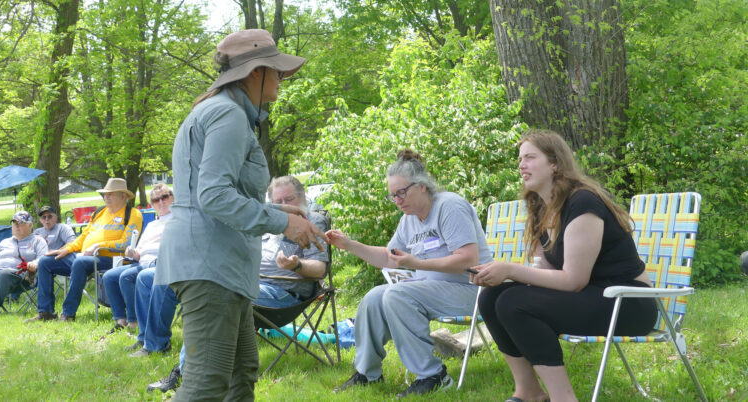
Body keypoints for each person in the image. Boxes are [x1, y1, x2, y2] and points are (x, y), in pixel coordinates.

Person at [154, 29, 327, 400]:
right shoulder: (227, 115)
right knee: (206, 386)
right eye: (276, 70)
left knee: (241, 373)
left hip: (220, 264)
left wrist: (279, 208)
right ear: (254, 72)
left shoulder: (221, 110)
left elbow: (218, 193)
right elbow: (214, 195)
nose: (281, 78)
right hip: (209, 264)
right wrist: (283, 222)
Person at [471, 129, 657, 402]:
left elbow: (573, 280)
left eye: (530, 157)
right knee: (492, 298)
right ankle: (529, 392)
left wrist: (510, 269)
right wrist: (501, 277)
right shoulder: (541, 208)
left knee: (514, 303)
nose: (521, 164)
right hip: (592, 297)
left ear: (554, 163)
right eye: (520, 158)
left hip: (628, 302)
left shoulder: (583, 203)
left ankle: (563, 398)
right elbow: (546, 272)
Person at [328, 149, 492, 397]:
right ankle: (368, 373)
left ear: (423, 186)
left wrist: (417, 263)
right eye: (393, 195)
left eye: (402, 192)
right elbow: (389, 258)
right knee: (374, 297)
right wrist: (349, 244)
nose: (398, 200)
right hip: (431, 291)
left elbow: (468, 260)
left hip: (473, 289)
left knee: (398, 294)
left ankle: (433, 375)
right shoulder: (409, 220)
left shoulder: (449, 206)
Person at [145, 175, 330, 391]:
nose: (283, 207)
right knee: (193, 283)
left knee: (215, 296)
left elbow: (320, 270)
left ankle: (187, 375)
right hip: (249, 281)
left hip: (283, 293)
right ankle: (159, 346)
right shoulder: (270, 221)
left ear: (302, 197)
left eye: (288, 200)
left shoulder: (312, 220)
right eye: (277, 202)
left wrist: (296, 265)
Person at [25, 178, 143, 322]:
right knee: (45, 261)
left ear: (123, 196)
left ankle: (68, 313)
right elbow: (83, 236)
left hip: (110, 259)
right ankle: (45, 312)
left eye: (110, 194)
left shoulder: (133, 214)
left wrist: (98, 246)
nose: (106, 197)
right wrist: (67, 249)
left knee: (80, 262)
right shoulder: (100, 213)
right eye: (105, 194)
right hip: (83, 256)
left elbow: (126, 243)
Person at [103, 183, 173, 333]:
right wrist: (132, 252)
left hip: (160, 263)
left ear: (172, 198)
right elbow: (139, 251)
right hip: (142, 262)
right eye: (156, 200)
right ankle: (120, 320)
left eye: (164, 197)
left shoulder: (176, 221)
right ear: (152, 204)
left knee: (126, 276)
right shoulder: (152, 225)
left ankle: (134, 320)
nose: (160, 202)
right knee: (109, 276)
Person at [0, 211, 48, 317]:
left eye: (20, 223)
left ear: (30, 225)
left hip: (20, 274)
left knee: (2, 275)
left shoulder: (38, 241)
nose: (16, 226)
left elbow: (43, 258)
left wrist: (34, 263)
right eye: (14, 223)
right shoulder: (5, 242)